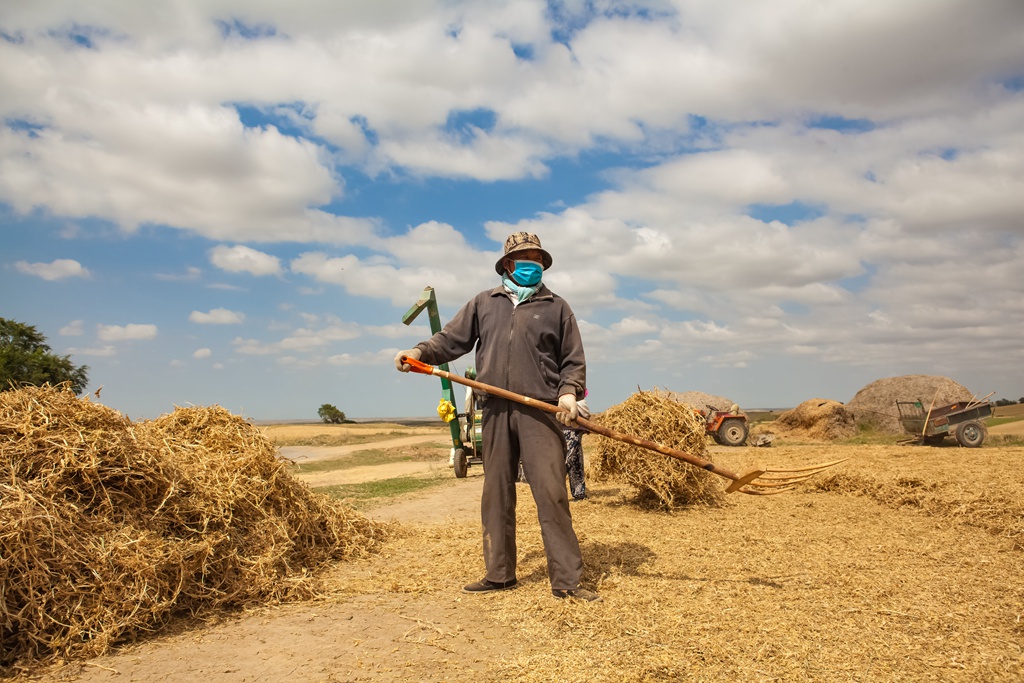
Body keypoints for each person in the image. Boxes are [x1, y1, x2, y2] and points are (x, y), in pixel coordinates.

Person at [395, 232, 600, 602]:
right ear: (508, 264)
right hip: (494, 408)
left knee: (551, 493)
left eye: (537, 258)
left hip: (541, 411)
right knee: (496, 494)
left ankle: (567, 580)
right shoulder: (483, 303)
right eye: (524, 258)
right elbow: (450, 340)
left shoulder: (556, 306)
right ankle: (500, 574)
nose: (532, 264)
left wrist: (569, 392)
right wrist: (419, 351)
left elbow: (573, 358)